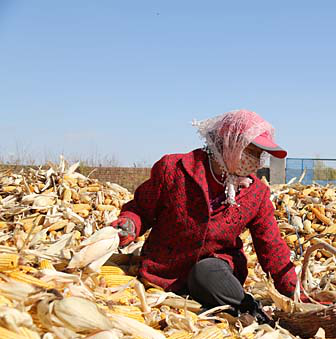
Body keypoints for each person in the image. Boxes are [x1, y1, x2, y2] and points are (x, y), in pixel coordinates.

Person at [111, 109, 298, 321]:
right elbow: (141, 208)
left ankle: (250, 311)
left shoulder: (256, 193)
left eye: (259, 155)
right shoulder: (174, 170)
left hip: (215, 267)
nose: (256, 161)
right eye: (250, 151)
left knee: (206, 273)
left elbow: (271, 246)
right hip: (164, 271)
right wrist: (129, 224)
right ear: (227, 143)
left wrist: (294, 292)